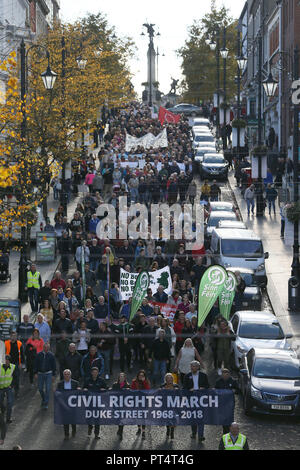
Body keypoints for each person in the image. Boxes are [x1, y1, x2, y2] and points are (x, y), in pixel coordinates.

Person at [183, 360, 209, 443]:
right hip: (191, 398)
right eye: (192, 366)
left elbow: (208, 386)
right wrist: (189, 390)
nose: (193, 368)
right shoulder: (187, 376)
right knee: (193, 417)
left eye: (195, 366)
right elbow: (184, 388)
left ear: (198, 367)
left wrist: (203, 388)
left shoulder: (203, 375)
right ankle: (194, 432)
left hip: (201, 398)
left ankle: (201, 435)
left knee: (201, 416)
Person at [83, 367, 108, 439]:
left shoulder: (101, 380)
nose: (95, 373)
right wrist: (84, 389)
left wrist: (105, 389)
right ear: (91, 373)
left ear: (98, 373)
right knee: (89, 418)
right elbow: (84, 388)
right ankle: (90, 427)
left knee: (97, 418)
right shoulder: (87, 380)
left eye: (96, 372)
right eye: (93, 372)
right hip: (89, 402)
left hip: (98, 402)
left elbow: (106, 388)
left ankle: (96, 434)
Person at [56, 369, 80, 440]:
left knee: (73, 419)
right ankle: (66, 434)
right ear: (63, 375)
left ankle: (74, 430)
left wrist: (79, 390)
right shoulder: (60, 384)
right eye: (65, 374)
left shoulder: (75, 383)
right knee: (65, 420)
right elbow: (58, 394)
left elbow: (79, 394)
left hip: (73, 405)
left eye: (68, 374)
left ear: (70, 375)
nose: (67, 376)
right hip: (64, 404)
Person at [215, 369, 239, 434]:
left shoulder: (233, 381)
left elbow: (238, 390)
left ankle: (230, 431)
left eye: (227, 375)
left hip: (230, 403)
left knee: (230, 417)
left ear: (229, 374)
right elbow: (215, 391)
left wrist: (234, 390)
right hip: (222, 403)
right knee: (223, 418)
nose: (225, 376)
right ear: (222, 375)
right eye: (224, 375)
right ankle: (225, 432)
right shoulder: (218, 381)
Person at [34, 342, 56, 409]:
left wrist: (53, 375)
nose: (46, 349)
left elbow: (54, 365)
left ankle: (46, 403)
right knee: (40, 388)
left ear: (49, 348)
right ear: (43, 347)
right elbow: (36, 364)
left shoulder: (51, 355)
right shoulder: (39, 355)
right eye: (45, 347)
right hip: (40, 374)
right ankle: (44, 399)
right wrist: (35, 373)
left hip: (48, 373)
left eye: (48, 347)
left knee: (47, 389)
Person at [131, 370, 151, 439]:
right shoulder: (134, 382)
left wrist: (144, 382)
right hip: (136, 401)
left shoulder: (146, 382)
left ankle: (143, 432)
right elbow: (132, 390)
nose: (141, 377)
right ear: (138, 376)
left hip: (144, 402)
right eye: (140, 375)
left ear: (144, 376)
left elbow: (147, 390)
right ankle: (139, 427)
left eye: (142, 376)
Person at [111, 372, 131, 440]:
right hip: (116, 403)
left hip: (124, 404)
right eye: (120, 376)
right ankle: (119, 428)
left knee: (122, 418)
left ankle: (121, 431)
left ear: (125, 378)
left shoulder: (128, 385)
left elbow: (130, 396)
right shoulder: (115, 385)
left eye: (123, 377)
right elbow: (112, 394)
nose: (121, 378)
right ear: (118, 378)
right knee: (117, 419)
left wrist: (129, 391)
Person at [4, 332, 24, 397]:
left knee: (16, 378)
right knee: (7, 377)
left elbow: (22, 354)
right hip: (8, 363)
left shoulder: (19, 344)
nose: (14, 337)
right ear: (10, 336)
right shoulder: (6, 343)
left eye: (15, 336)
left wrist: (21, 363)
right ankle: (7, 391)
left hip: (16, 363)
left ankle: (16, 391)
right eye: (12, 336)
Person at [160, 373, 179, 440]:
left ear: (172, 379)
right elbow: (159, 395)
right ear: (166, 380)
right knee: (167, 418)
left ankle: (172, 431)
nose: (169, 380)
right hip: (165, 405)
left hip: (174, 405)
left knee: (173, 418)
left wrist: (177, 391)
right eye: (168, 378)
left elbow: (180, 394)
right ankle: (168, 428)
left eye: (170, 378)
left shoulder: (176, 386)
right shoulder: (162, 386)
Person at [0, 355, 16, 424]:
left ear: (10, 361)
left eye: (8, 360)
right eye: (5, 360)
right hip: (0, 388)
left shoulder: (13, 367)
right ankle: (3, 409)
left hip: (8, 387)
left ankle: (8, 418)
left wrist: (12, 385)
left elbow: (16, 377)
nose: (6, 361)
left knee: (10, 403)